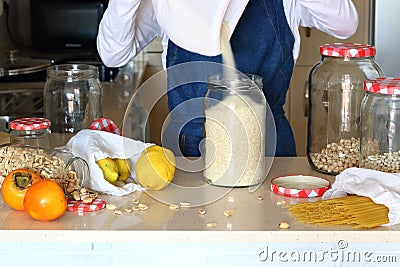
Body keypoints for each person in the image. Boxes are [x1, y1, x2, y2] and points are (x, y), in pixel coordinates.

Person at [97, 0, 358, 157]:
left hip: (268, 149)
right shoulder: (173, 7)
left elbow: (344, 24)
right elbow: (113, 54)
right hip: (190, 153)